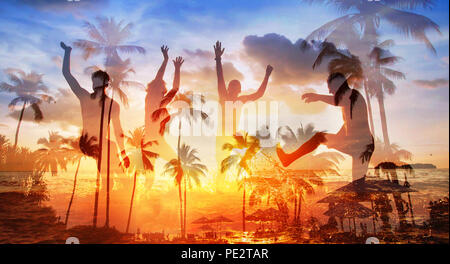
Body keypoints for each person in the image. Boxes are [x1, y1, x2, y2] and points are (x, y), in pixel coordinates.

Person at [276, 72, 374, 182]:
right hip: (358, 144)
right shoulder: (349, 101)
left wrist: (318, 97)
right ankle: (288, 159)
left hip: (363, 146)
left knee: (358, 182)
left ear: (338, 85)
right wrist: (336, 139)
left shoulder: (353, 95)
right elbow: (349, 124)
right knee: (320, 138)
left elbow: (339, 101)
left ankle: (288, 159)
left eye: (331, 88)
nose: (330, 91)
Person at [60, 42, 129, 171]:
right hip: (87, 143)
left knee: (111, 147)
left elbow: (118, 130)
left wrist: (123, 153)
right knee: (111, 147)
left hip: (97, 144)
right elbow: (66, 74)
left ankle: (108, 177)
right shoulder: (86, 97)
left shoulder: (109, 104)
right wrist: (67, 52)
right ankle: (108, 177)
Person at [213, 41, 273, 183]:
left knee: (254, 145)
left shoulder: (242, 99)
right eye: (231, 86)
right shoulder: (223, 97)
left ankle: (244, 165)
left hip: (235, 134)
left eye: (236, 87)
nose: (233, 89)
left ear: (239, 90)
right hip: (222, 135)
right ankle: (219, 186)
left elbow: (258, 94)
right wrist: (218, 59)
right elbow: (219, 77)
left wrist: (267, 76)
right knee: (220, 161)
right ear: (228, 89)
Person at [144, 45, 184, 161]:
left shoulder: (161, 103)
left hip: (156, 139)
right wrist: (165, 60)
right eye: (163, 87)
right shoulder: (152, 97)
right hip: (151, 139)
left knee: (176, 164)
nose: (164, 90)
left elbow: (175, 89)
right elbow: (159, 77)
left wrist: (177, 69)